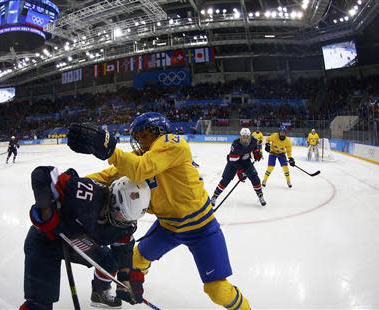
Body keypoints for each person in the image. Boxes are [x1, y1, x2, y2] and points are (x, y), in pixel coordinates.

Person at [67, 113, 251, 310]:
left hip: (202, 229)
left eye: (143, 135)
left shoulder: (173, 143)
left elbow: (141, 169)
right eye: (136, 137)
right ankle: (139, 280)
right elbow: (106, 177)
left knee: (218, 291)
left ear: (159, 132)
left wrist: (110, 151)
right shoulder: (141, 157)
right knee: (136, 260)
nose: (139, 142)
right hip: (167, 227)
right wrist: (68, 185)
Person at [20, 165, 150, 310]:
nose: (123, 223)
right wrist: (46, 213)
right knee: (39, 304)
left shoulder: (126, 225)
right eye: (122, 214)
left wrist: (125, 279)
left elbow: (122, 252)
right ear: (113, 200)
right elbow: (42, 174)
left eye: (128, 220)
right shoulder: (85, 193)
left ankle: (99, 293)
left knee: (110, 263)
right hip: (44, 243)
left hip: (76, 240)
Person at [211, 128, 266, 207]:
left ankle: (260, 195)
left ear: (250, 136)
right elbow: (234, 161)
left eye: (247, 136)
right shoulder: (235, 144)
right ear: (240, 136)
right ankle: (215, 196)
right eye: (243, 136)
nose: (245, 138)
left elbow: (254, 147)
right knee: (226, 179)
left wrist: (256, 152)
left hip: (246, 162)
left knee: (255, 178)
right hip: (233, 163)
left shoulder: (253, 140)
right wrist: (239, 172)